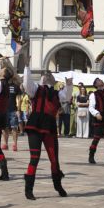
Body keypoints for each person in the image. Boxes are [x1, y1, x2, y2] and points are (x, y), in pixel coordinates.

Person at [22, 58, 73, 200]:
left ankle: (58, 185)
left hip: (49, 127)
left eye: (50, 74)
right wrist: (27, 67)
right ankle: (29, 189)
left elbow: (67, 96)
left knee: (54, 159)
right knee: (35, 157)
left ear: (54, 80)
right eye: (46, 74)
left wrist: (69, 84)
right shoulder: (36, 90)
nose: (48, 74)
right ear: (42, 79)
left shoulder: (57, 94)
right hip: (35, 125)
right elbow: (27, 84)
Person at [3, 77, 21, 151]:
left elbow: (19, 98)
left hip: (13, 110)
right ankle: (5, 144)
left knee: (14, 127)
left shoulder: (16, 87)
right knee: (5, 128)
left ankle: (15, 144)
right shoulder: (3, 86)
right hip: (4, 110)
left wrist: (18, 110)